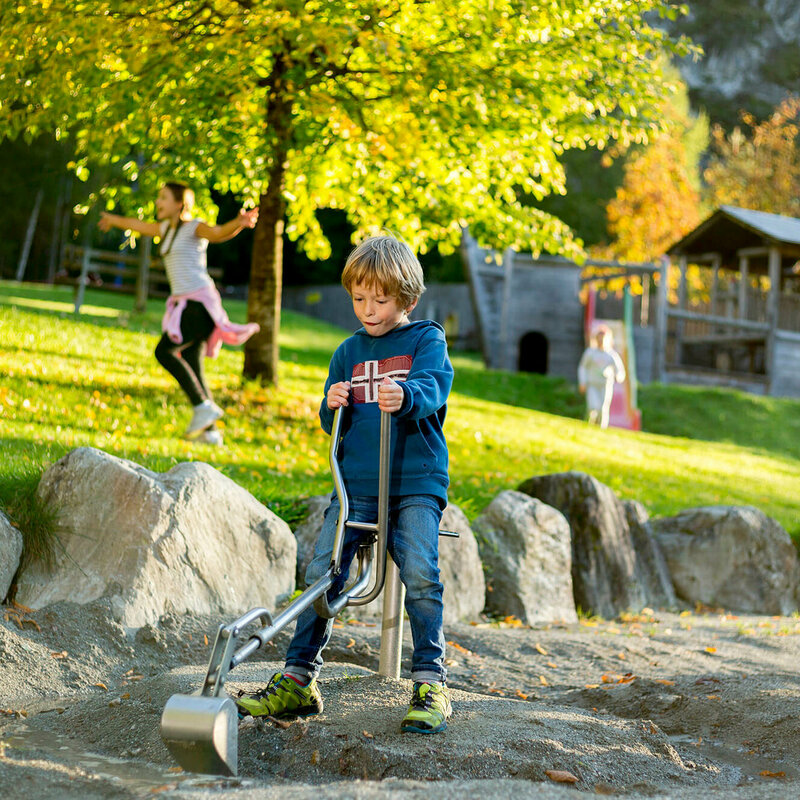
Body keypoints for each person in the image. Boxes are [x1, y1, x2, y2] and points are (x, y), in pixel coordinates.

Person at [234, 234, 454, 734]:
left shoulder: (425, 340)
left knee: (420, 572)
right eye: (359, 298)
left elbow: (434, 385)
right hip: (355, 484)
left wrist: (409, 393)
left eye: (381, 299)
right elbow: (327, 419)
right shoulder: (348, 350)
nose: (369, 309)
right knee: (320, 574)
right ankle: (297, 678)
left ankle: (430, 681)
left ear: (408, 300)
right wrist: (330, 402)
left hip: (414, 482)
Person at [98, 182, 259, 443]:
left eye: (163, 198)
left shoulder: (193, 226)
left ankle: (203, 407)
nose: (158, 203)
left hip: (199, 305)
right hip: (186, 305)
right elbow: (136, 225)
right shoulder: (166, 230)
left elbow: (218, 233)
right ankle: (211, 433)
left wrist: (240, 222)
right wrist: (113, 220)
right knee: (193, 364)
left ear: (179, 203)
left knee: (164, 351)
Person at [578, 324, 626, 429]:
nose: (601, 340)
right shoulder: (590, 352)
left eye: (603, 338)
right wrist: (582, 382)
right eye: (599, 338)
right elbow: (583, 367)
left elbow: (620, 370)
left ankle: (601, 429)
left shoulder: (611, 355)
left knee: (603, 409)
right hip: (592, 384)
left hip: (605, 385)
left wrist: (618, 376)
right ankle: (588, 425)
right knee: (592, 407)